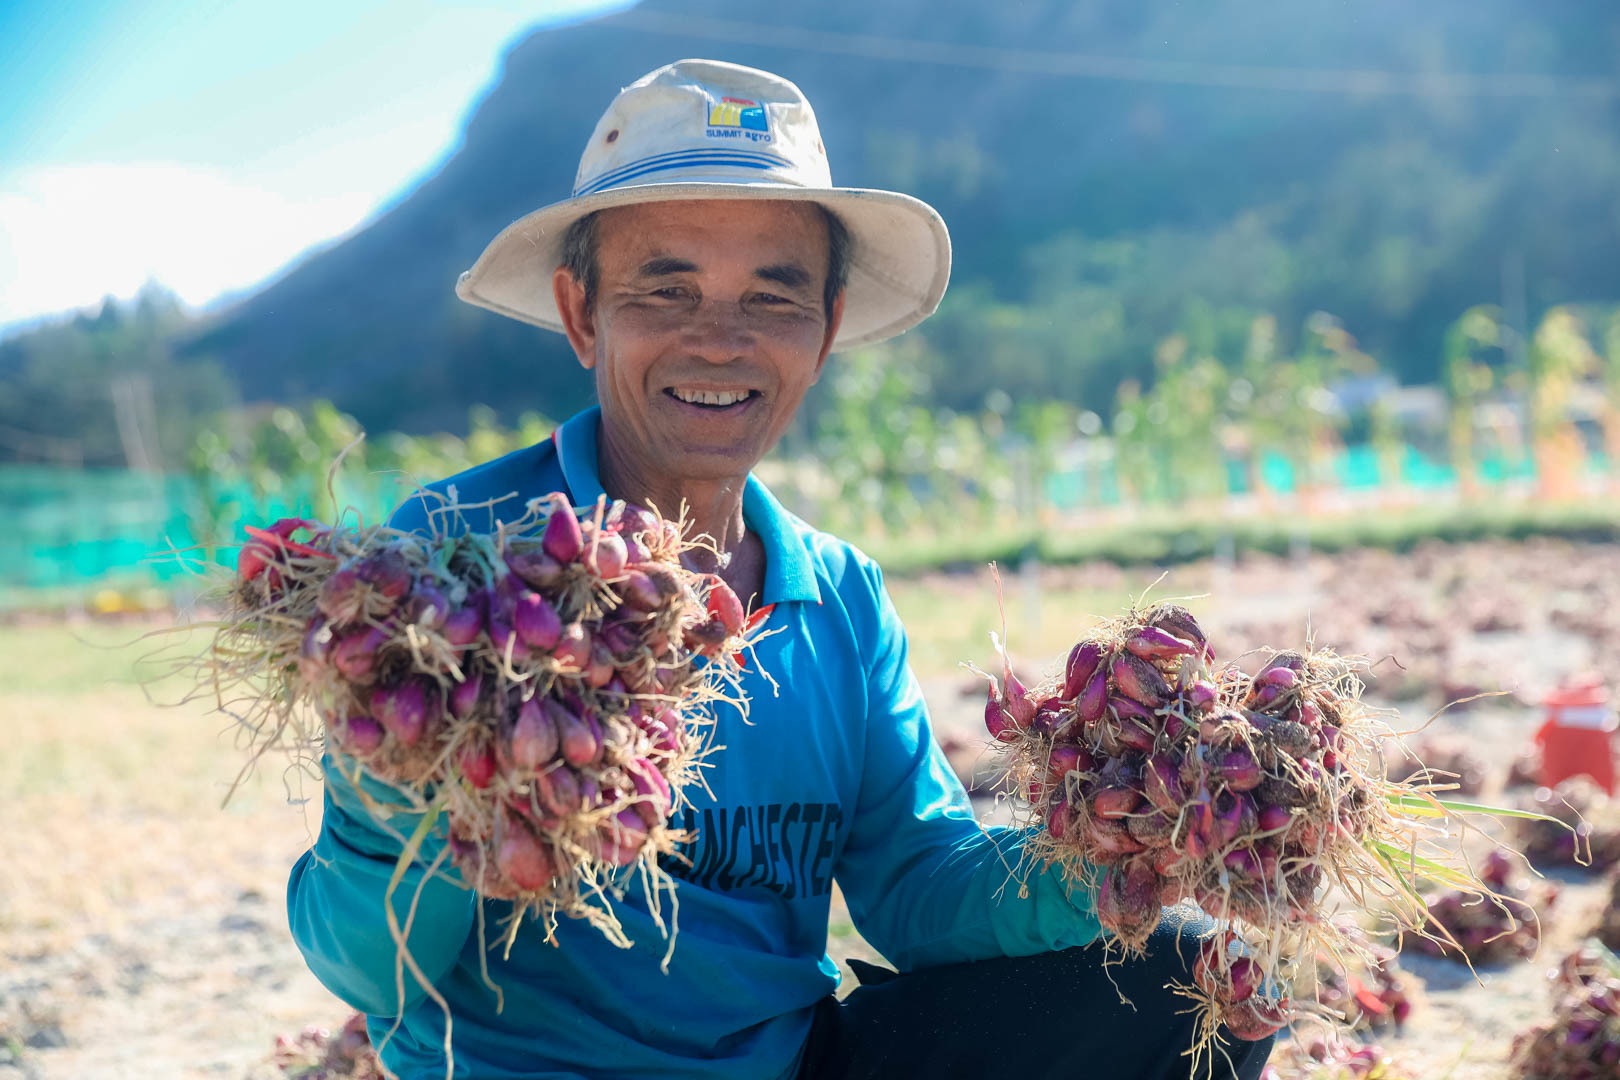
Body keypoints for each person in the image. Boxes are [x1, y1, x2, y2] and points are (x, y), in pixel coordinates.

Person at [287, 59, 1275, 1079]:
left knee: (1191, 983)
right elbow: (362, 967)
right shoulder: (460, 565)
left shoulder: (839, 596)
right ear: (583, 317)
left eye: (774, 297)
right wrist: (408, 801)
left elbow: (916, 884)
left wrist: (1098, 857)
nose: (721, 341)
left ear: (828, 328)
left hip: (792, 1064)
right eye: (665, 291)